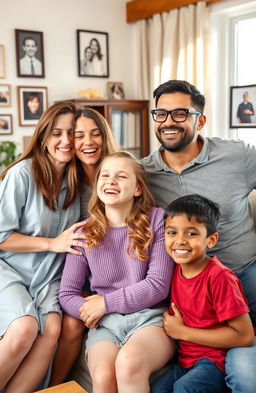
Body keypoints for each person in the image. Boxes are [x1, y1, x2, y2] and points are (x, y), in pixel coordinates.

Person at [141, 79, 256, 393]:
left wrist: (185, 332)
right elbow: (99, 200)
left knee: (246, 379)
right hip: (191, 289)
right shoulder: (143, 174)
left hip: (245, 277)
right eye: (161, 114)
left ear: (200, 120)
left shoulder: (238, 156)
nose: (168, 122)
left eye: (180, 114)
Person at [58, 151, 175, 393]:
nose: (111, 181)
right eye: (105, 175)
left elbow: (157, 285)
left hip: (150, 318)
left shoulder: (157, 221)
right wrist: (92, 311)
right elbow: (67, 294)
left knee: (129, 363)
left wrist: (105, 303)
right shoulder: (83, 233)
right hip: (106, 325)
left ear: (137, 189)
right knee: (102, 376)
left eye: (121, 176)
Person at [0, 101, 87, 393]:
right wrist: (53, 243)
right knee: (24, 327)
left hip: (48, 275)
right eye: (57, 133)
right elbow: (1, 236)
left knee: (51, 330)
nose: (65, 141)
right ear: (44, 135)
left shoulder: (78, 182)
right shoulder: (22, 174)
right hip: (10, 268)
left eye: (73, 133)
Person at [150, 194, 254, 393]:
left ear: (211, 240)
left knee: (184, 389)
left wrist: (183, 333)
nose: (180, 241)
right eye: (172, 233)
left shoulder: (220, 277)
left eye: (191, 234)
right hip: (185, 361)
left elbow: (245, 336)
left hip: (214, 361)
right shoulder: (172, 270)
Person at [49, 107, 119, 385]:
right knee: (71, 323)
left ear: (105, 136)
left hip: (117, 273)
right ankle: (55, 387)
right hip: (79, 273)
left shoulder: (119, 173)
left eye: (95, 134)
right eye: (79, 136)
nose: (88, 142)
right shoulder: (65, 181)